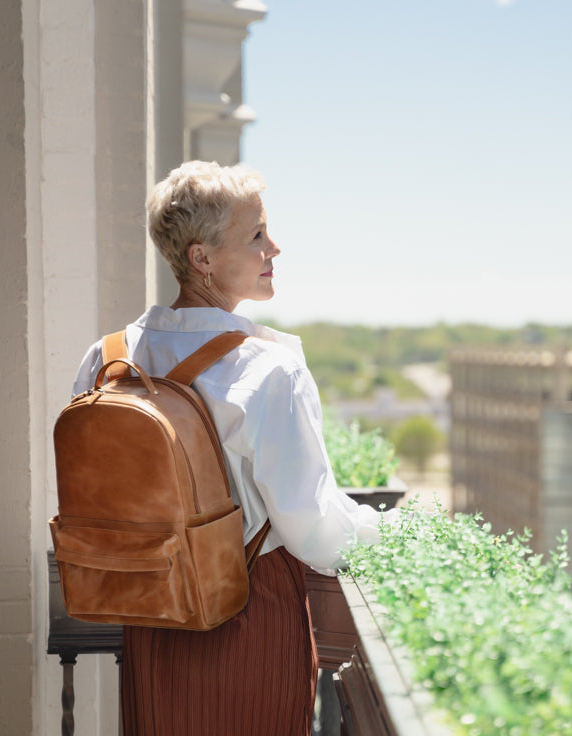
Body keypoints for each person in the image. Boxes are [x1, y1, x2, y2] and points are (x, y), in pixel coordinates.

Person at [72, 160, 399, 736]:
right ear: (202, 258)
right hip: (248, 610)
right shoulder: (265, 369)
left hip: (149, 612)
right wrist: (395, 533)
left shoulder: (107, 358)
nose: (275, 247)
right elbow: (311, 529)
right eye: (256, 235)